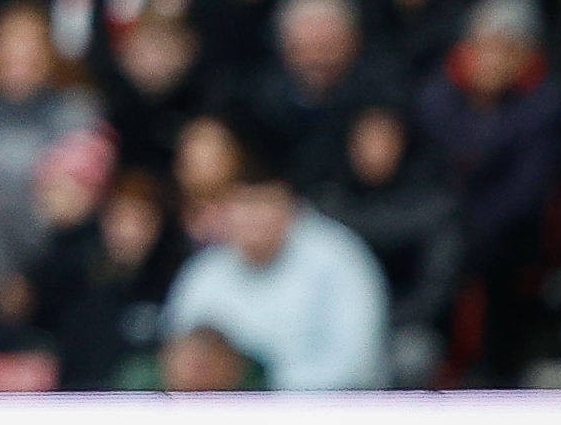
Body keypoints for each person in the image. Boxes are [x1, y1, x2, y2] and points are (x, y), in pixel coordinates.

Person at [163, 163, 396, 392]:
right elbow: (177, 356)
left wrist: (270, 392)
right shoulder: (204, 273)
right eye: (244, 205)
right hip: (227, 414)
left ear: (291, 207)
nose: (253, 217)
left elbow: (358, 361)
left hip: (331, 408)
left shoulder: (338, 258)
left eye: (263, 203)